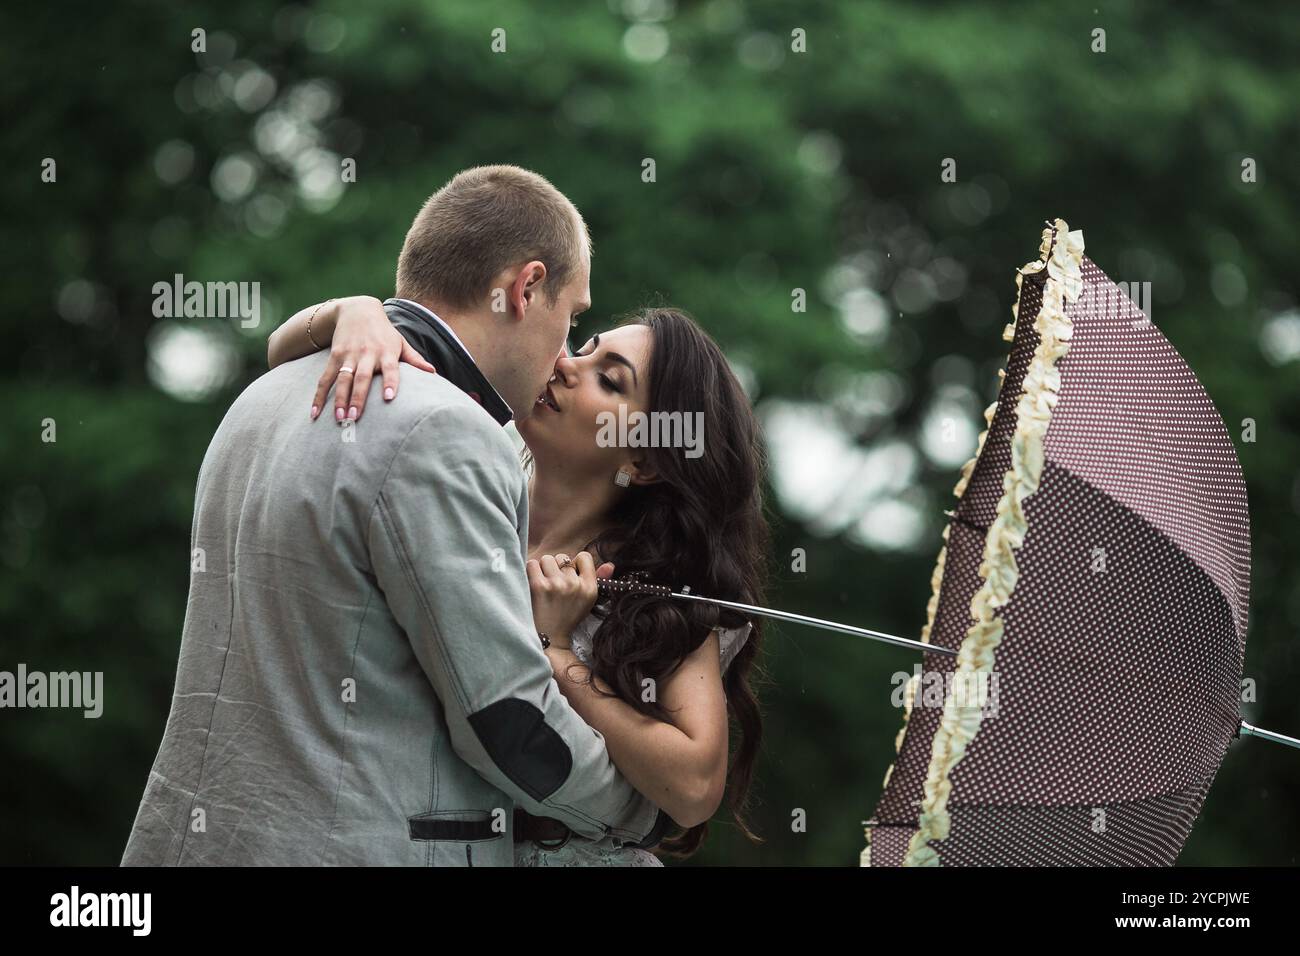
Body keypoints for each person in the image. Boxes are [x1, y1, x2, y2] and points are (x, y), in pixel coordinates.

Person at [122, 164, 671, 866]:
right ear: (525, 288)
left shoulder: (261, 396)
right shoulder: (447, 432)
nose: (565, 353)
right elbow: (505, 720)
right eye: (574, 317)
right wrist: (640, 814)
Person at [268, 293, 771, 865]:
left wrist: (555, 653)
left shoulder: (652, 591)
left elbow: (694, 787)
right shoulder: (460, 477)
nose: (564, 363)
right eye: (583, 347)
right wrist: (354, 313)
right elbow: (279, 350)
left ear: (643, 462)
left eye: (609, 380)